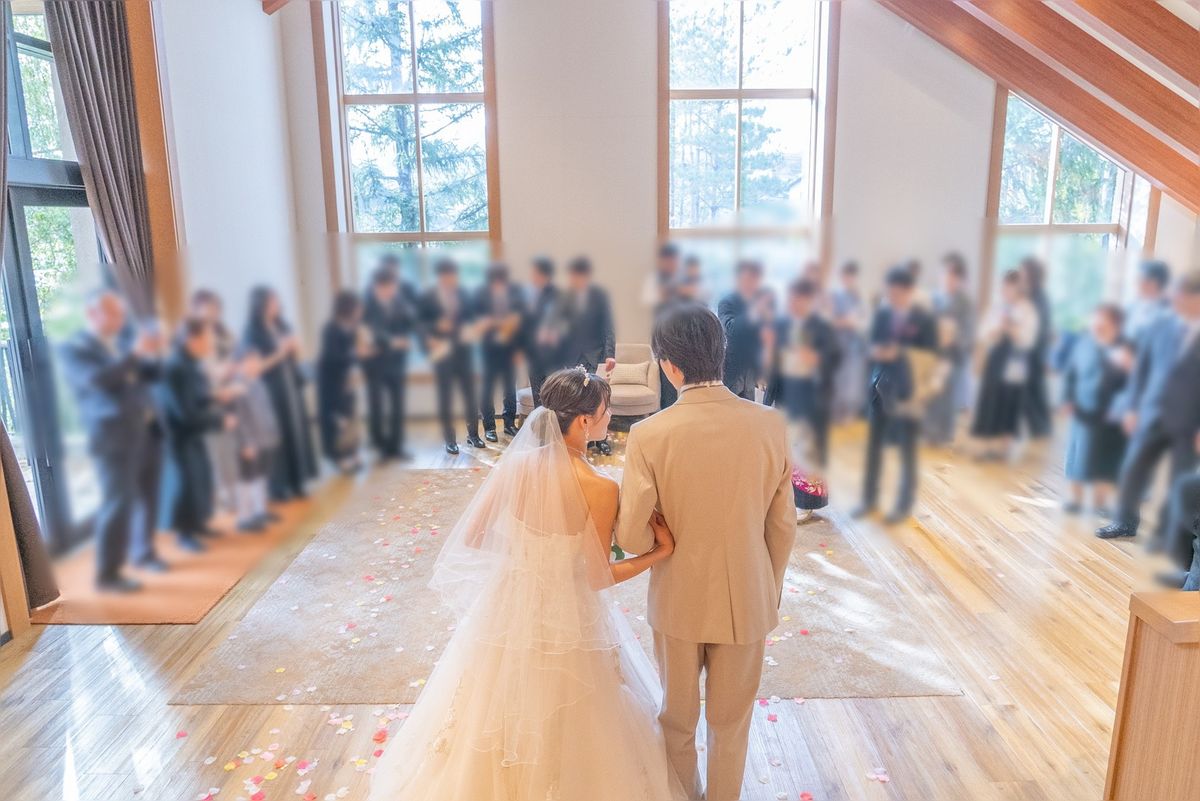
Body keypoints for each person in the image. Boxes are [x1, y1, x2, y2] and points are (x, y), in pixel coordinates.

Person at [368, 368, 685, 801]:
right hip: (567, 615)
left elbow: (474, 537)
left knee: (490, 702)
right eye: (606, 410)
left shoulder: (515, 467)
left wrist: (526, 557)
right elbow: (598, 576)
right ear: (584, 421)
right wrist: (658, 554)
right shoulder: (600, 487)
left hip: (506, 606)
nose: (610, 417)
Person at [615, 303, 795, 801]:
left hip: (678, 598)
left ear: (668, 365)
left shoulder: (648, 435)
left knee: (677, 719)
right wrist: (769, 586)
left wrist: (657, 538)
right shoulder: (772, 425)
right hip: (748, 597)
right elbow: (782, 527)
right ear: (721, 351)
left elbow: (631, 536)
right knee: (731, 724)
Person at [58, 291, 164, 591]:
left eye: (121, 312)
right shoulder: (74, 347)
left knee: (149, 497)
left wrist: (155, 354)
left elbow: (148, 377)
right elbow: (99, 381)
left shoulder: (121, 343)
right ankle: (108, 574)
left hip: (146, 431)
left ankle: (144, 553)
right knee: (118, 503)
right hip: (113, 437)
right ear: (93, 314)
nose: (121, 319)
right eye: (114, 313)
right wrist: (136, 354)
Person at [1097, 271, 1200, 546]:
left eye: (1181, 297)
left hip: (1189, 423)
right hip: (1151, 413)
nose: (1175, 301)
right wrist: (1132, 407)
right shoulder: (1160, 325)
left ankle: (1176, 539)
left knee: (1182, 481)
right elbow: (1141, 369)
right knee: (1133, 468)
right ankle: (1125, 522)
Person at [854, 265, 939, 524]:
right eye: (889, 292)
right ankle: (869, 500)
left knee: (906, 451)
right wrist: (875, 351)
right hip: (878, 388)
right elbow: (869, 345)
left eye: (896, 293)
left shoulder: (923, 320)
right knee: (873, 447)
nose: (891, 297)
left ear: (908, 291)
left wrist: (899, 353)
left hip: (908, 392)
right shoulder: (882, 314)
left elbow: (931, 356)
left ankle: (903, 505)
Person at [159, 318, 235, 552]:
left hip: (194, 432)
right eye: (207, 338)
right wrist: (219, 420)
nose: (211, 343)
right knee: (186, 485)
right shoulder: (175, 367)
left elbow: (196, 398)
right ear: (192, 339)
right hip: (180, 436)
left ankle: (199, 524)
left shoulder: (191, 364)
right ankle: (185, 534)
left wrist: (215, 397)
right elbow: (183, 412)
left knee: (201, 478)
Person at [244, 287, 317, 500]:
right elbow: (255, 367)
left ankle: (298, 481)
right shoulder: (253, 331)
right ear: (261, 305)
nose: (277, 305)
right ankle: (279, 487)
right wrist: (280, 352)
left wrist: (296, 348)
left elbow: (296, 356)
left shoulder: (282, 325)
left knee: (296, 432)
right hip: (270, 391)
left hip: (290, 386)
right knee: (277, 437)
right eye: (272, 301)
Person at [765, 278, 841, 468]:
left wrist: (818, 358)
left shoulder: (823, 327)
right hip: (783, 394)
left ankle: (809, 484)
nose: (791, 304)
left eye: (796, 300)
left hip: (812, 398)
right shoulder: (781, 324)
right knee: (782, 449)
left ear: (808, 300)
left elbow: (836, 358)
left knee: (809, 456)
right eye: (790, 299)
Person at [1061, 304, 1128, 516]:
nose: (1097, 324)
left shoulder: (1125, 348)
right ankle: (1075, 499)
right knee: (1077, 456)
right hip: (1082, 407)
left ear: (1115, 324)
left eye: (1102, 320)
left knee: (1107, 461)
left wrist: (1121, 408)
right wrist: (1067, 399)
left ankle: (1101, 502)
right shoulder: (1084, 343)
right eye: (1095, 319)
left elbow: (1132, 383)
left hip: (1111, 413)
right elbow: (1071, 373)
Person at [970, 270, 1039, 460]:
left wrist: (1012, 329)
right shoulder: (997, 306)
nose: (1006, 292)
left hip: (1015, 360)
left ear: (1019, 288)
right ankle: (987, 447)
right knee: (990, 400)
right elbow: (983, 333)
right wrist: (996, 330)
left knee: (1010, 403)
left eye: (1010, 288)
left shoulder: (1027, 309)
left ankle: (1003, 448)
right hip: (996, 359)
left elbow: (1029, 340)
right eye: (1004, 287)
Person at [419, 258, 484, 455]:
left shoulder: (464, 293)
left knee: (470, 396)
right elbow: (419, 324)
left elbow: (472, 317)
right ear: (440, 277)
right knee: (446, 398)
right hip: (442, 353)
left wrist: (473, 328)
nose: (451, 280)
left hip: (464, 352)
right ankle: (450, 440)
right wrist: (434, 328)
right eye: (448, 276)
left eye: (454, 276)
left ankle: (474, 435)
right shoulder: (428, 296)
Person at [557, 256, 617, 453]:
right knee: (576, 399)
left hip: (595, 355)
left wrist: (610, 354)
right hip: (572, 356)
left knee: (599, 397)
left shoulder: (600, 297)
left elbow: (608, 328)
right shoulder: (565, 298)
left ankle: (601, 439)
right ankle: (581, 437)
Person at [190, 289, 240, 517]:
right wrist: (221, 374)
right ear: (196, 309)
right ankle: (223, 496)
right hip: (207, 400)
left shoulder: (223, 333)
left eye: (216, 308)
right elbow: (201, 371)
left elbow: (235, 355)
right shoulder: (192, 336)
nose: (213, 313)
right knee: (215, 451)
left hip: (229, 395)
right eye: (208, 308)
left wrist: (232, 370)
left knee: (230, 447)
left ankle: (235, 493)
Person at [362, 262, 416, 462]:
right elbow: (370, 331)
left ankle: (396, 447)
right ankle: (381, 446)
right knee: (377, 406)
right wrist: (393, 341)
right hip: (375, 363)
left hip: (397, 362)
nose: (392, 291)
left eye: (394, 286)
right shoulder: (367, 304)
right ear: (378, 286)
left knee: (397, 406)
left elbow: (410, 322)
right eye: (388, 287)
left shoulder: (399, 301)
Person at [924, 253, 975, 445]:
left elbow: (968, 335)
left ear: (960, 279)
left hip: (954, 357)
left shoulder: (966, 303)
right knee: (931, 396)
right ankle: (929, 433)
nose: (948, 279)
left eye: (953, 275)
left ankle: (944, 436)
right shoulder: (933, 298)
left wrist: (952, 337)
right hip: (933, 355)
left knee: (948, 399)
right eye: (945, 273)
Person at [228, 349, 280, 532]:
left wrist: (273, 434)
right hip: (248, 442)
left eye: (257, 361)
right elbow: (238, 419)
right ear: (240, 364)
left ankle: (259, 511)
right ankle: (244, 517)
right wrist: (246, 443)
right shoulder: (237, 387)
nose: (255, 365)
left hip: (264, 438)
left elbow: (267, 411)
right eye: (250, 361)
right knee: (246, 479)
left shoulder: (259, 383)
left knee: (261, 476)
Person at [475, 262, 526, 441]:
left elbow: (521, 323)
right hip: (488, 351)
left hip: (510, 350)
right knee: (487, 390)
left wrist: (519, 349)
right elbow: (475, 322)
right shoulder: (481, 295)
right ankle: (489, 427)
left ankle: (509, 424)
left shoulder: (515, 294)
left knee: (509, 389)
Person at [317, 290, 366, 474]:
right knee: (338, 420)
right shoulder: (330, 329)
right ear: (348, 309)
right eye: (357, 308)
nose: (360, 311)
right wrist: (356, 354)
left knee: (351, 415)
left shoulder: (352, 328)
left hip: (347, 380)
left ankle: (352, 452)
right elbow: (333, 358)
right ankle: (339, 456)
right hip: (333, 382)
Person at [717, 259, 766, 401]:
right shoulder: (726, 301)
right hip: (731, 370)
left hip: (749, 372)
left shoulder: (756, 302)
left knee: (748, 409)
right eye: (747, 279)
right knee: (727, 408)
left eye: (755, 280)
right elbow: (729, 329)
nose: (751, 284)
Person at [828, 260, 869, 422]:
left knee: (852, 387)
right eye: (845, 276)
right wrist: (844, 322)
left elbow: (864, 323)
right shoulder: (834, 296)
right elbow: (828, 320)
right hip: (837, 347)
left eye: (851, 276)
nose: (848, 280)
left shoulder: (859, 298)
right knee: (836, 386)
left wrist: (855, 323)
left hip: (854, 350)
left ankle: (847, 416)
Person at [1019, 257, 1054, 438]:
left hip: (1034, 351)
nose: (1020, 275)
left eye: (1023, 271)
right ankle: (1039, 428)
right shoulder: (1031, 295)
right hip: (1029, 351)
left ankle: (1040, 428)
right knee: (1031, 391)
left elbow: (1039, 329)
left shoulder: (1039, 298)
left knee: (1034, 391)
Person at [524, 256, 563, 407]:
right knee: (537, 395)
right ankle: (539, 421)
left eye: (535, 273)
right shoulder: (530, 295)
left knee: (554, 394)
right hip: (533, 355)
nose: (532, 277)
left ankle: (553, 422)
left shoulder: (559, 295)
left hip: (553, 356)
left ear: (545, 275)